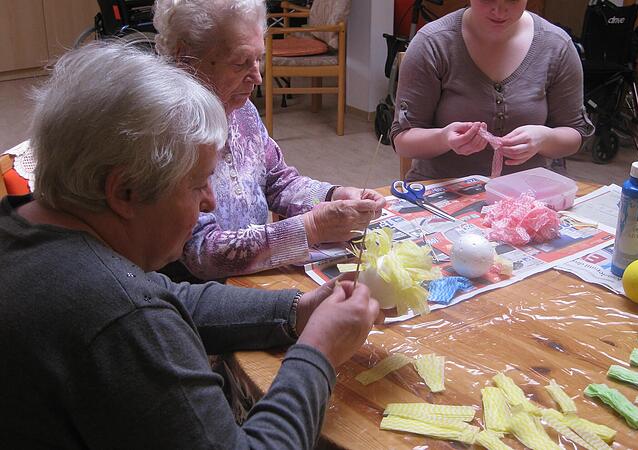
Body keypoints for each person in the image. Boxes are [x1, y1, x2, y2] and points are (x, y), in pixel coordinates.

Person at [0, 42, 381, 448]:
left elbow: (168, 295)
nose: (210, 202)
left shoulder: (23, 227)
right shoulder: (120, 319)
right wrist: (318, 351)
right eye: (198, 184)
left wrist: (296, 310)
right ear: (125, 191)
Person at [151, 0, 386, 281]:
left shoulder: (241, 110)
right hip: (202, 297)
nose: (258, 77)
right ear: (186, 57)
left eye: (258, 59)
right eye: (240, 63)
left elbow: (278, 181)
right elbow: (201, 253)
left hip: (253, 279)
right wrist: (311, 227)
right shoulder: (164, 131)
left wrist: (333, 195)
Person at [390, 0, 594, 181]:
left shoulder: (556, 46)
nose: (499, 10)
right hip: (442, 191)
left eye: (513, 0)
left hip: (523, 194)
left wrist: (544, 139)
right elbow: (402, 141)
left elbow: (575, 134)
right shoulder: (433, 43)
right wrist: (444, 138)